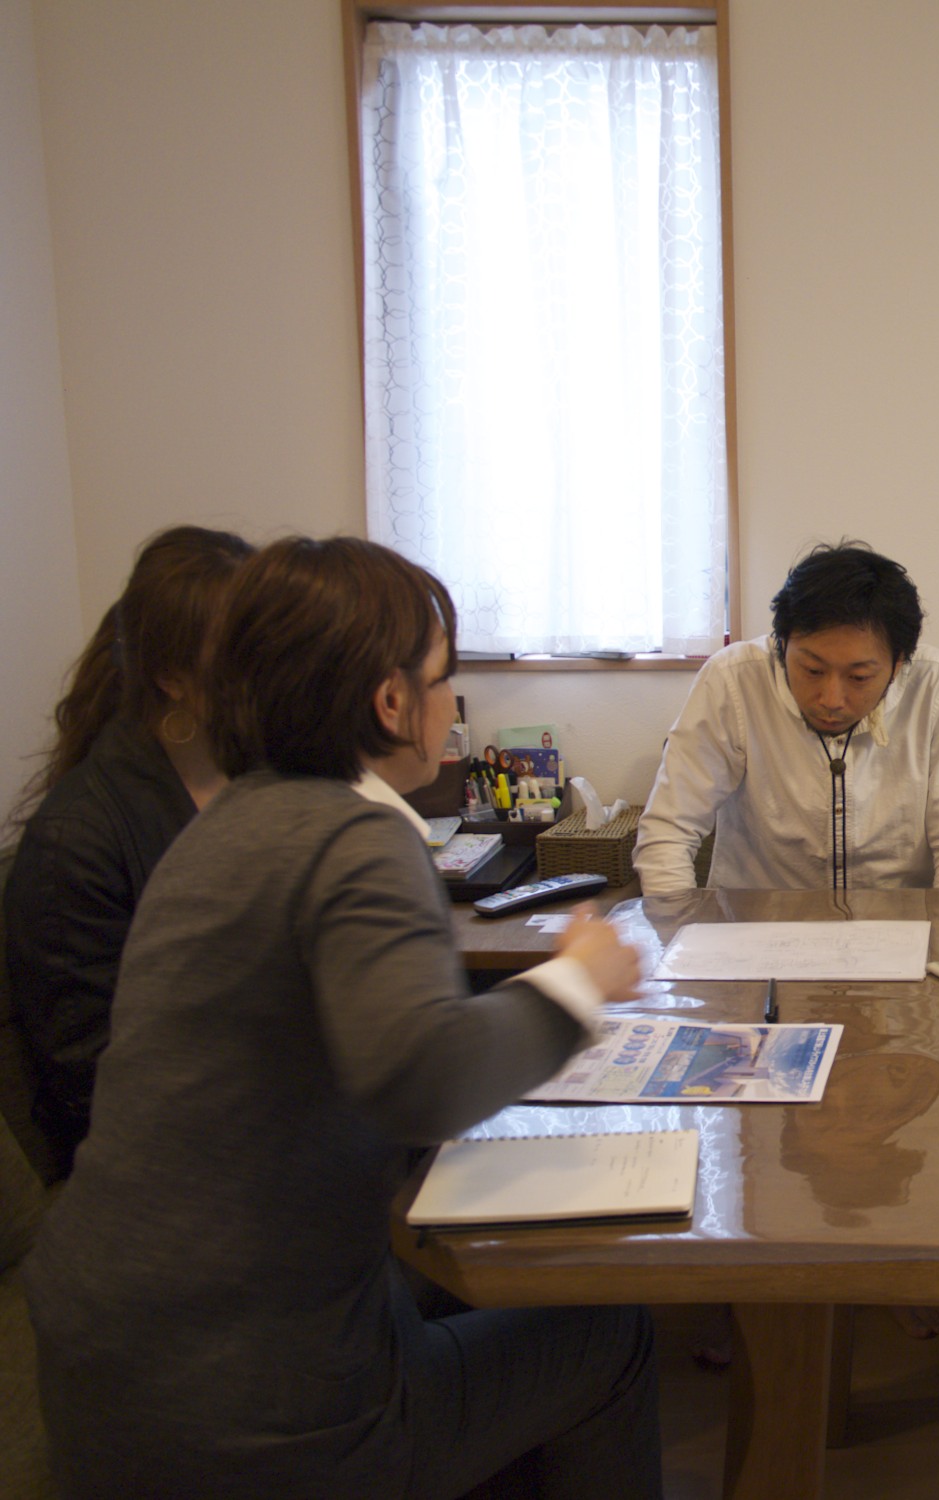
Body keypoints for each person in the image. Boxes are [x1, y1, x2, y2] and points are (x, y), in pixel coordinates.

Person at [24, 537, 661, 1499]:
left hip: (104, 1365)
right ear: (391, 702)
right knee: (609, 1337)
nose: (451, 705)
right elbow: (425, 1078)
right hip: (252, 1409)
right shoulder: (355, 834)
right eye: (442, 680)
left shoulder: (221, 826)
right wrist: (578, 981)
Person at [5, 524, 252, 1176]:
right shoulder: (76, 843)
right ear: (171, 676)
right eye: (246, 652)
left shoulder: (254, 779)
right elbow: (96, 1084)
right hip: (166, 1168)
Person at [634, 541, 939, 894]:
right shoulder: (733, 679)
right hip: (754, 920)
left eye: (859, 677)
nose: (831, 700)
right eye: (812, 670)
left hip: (901, 919)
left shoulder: (937, 685)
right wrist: (678, 925)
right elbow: (669, 832)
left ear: (899, 664)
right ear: (781, 644)